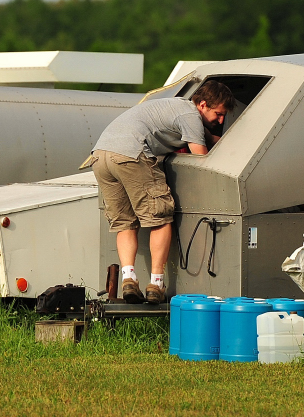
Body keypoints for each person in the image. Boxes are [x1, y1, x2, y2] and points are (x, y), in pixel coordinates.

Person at [86, 80, 235, 305]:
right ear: (202, 104)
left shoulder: (174, 107)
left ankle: (129, 279)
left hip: (100, 156)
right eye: (219, 114)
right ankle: (156, 283)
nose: (221, 120)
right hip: (131, 155)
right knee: (161, 218)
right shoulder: (190, 116)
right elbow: (202, 157)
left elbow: (204, 137)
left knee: (125, 223)